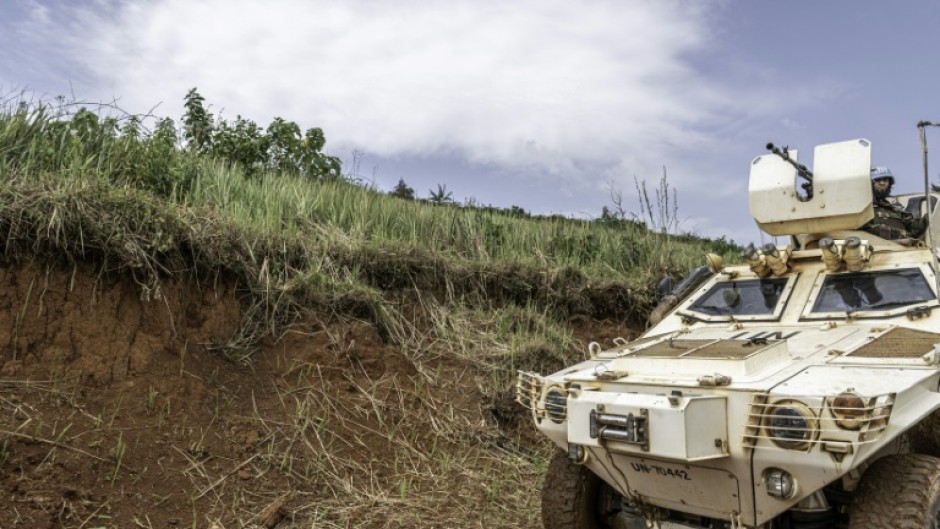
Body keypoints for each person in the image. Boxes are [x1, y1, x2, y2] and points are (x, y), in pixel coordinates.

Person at [860, 166, 927, 240]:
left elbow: (914, 228)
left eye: (885, 180)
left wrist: (927, 219)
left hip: (904, 249)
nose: (882, 183)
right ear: (869, 183)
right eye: (878, 180)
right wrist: (902, 237)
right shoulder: (863, 208)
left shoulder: (894, 209)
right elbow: (865, 231)